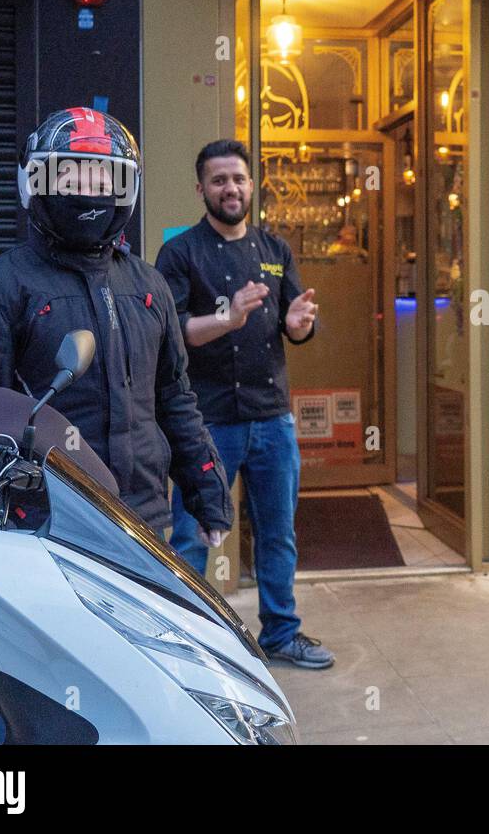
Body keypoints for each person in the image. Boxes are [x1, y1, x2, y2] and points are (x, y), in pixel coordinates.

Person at [0, 107, 233, 541]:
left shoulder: (147, 283)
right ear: (35, 183)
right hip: (46, 525)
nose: (87, 191)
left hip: (145, 522)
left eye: (102, 180)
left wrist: (208, 494)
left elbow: (173, 396)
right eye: (70, 178)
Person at [154, 139, 335, 670]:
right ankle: (183, 639)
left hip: (272, 418)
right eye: (218, 180)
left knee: (277, 531)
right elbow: (176, 332)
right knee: (191, 533)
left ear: (251, 185)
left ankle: (280, 632)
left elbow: (293, 322)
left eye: (238, 178)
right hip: (206, 421)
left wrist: (298, 327)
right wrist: (227, 320)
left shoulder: (276, 250)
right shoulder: (180, 252)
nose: (230, 188)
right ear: (201, 189)